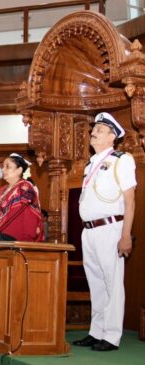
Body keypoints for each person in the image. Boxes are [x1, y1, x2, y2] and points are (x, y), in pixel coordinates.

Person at [73, 112, 137, 352]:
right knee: (96, 283)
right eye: (94, 128)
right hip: (89, 231)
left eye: (100, 129)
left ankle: (111, 336)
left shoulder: (122, 159)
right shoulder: (91, 164)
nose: (94, 132)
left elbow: (130, 200)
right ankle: (96, 331)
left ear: (113, 136)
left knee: (112, 282)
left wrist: (125, 235)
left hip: (111, 228)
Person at [0, 153, 44, 242]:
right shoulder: (2, 190)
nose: (3, 170)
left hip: (17, 240)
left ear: (19, 170)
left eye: (7, 167)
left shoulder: (25, 187)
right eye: (3, 166)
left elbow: (28, 217)